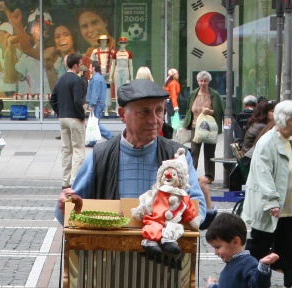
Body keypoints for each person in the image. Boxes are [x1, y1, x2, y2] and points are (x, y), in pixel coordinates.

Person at [55, 78, 206, 223]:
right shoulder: (100, 157)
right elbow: (71, 211)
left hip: (163, 247)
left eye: (159, 111)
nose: (154, 120)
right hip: (112, 248)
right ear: (122, 115)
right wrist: (63, 207)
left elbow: (200, 211)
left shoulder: (177, 156)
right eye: (144, 112)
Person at [241, 100, 292, 288]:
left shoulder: (290, 140)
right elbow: (263, 174)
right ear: (283, 120)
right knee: (259, 243)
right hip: (273, 206)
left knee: (289, 244)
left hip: (291, 205)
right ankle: (244, 275)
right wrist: (271, 201)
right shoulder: (267, 142)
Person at [50, 53, 88, 189]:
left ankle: (65, 180)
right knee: (78, 150)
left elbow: (52, 99)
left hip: (63, 118)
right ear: (76, 65)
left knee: (66, 150)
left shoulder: (60, 79)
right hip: (74, 118)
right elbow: (78, 100)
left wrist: (60, 111)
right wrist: (82, 116)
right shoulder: (77, 80)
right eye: (80, 63)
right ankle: (74, 180)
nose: (81, 66)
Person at [183, 70, 224, 183]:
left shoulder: (214, 94)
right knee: (194, 152)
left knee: (209, 152)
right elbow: (189, 110)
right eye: (201, 81)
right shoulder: (193, 94)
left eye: (205, 81)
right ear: (197, 81)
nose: (203, 83)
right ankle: (191, 175)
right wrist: (186, 124)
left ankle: (209, 176)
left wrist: (210, 112)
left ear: (208, 82)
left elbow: (220, 110)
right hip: (195, 127)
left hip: (209, 127)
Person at [86, 60, 113, 143]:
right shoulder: (99, 77)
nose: (89, 69)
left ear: (93, 68)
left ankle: (111, 137)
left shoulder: (96, 78)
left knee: (95, 123)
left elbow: (95, 92)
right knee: (94, 122)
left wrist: (92, 104)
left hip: (97, 103)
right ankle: (93, 141)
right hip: (99, 102)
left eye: (90, 67)